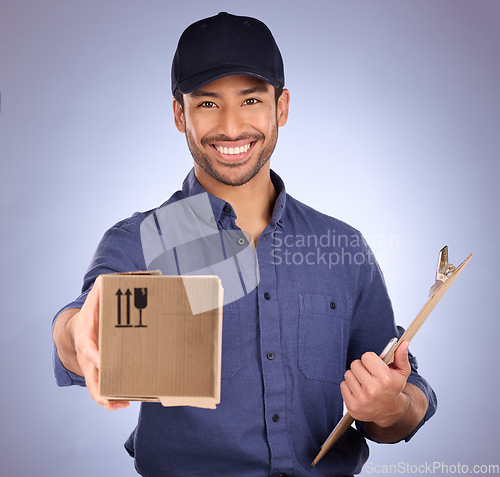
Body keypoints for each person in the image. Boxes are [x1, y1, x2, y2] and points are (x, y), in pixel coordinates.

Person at [52, 12, 436, 477]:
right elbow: (79, 330)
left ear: (282, 107)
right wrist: (77, 334)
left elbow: (400, 396)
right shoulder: (140, 242)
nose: (231, 127)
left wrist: (391, 407)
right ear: (180, 115)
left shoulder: (343, 246)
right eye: (208, 104)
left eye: (251, 99)